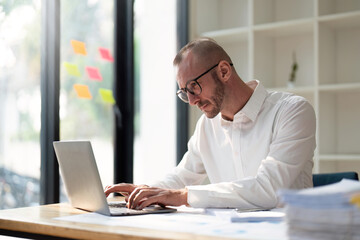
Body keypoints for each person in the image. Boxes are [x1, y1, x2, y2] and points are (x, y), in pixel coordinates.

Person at [104, 37, 316, 210]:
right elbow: (182, 176)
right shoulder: (207, 126)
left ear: (223, 71)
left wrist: (184, 196)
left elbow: (269, 189)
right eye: (185, 93)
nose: (193, 101)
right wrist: (147, 192)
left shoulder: (292, 111)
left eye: (194, 87)